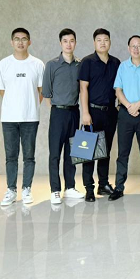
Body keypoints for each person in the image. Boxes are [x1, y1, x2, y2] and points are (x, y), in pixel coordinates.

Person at [0, 28, 45, 206]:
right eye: (17, 39)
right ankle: (11, 190)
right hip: (9, 118)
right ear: (12, 42)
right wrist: (14, 106)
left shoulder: (37, 64)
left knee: (29, 156)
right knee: (11, 156)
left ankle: (26, 189)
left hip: (30, 118)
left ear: (29, 42)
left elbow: (41, 91)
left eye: (24, 39)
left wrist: (29, 106)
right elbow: (2, 91)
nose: (20, 42)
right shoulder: (4, 64)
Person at [109, 35, 140, 201]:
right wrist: (129, 106)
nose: (136, 49)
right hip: (125, 113)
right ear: (129, 48)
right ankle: (119, 187)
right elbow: (118, 90)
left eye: (139, 46)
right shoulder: (123, 66)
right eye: (133, 46)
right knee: (123, 153)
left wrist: (138, 104)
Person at [42, 28, 84, 204]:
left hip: (74, 112)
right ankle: (55, 190)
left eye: (72, 41)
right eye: (65, 41)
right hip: (58, 112)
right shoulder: (52, 65)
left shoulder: (80, 65)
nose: (69, 44)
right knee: (55, 153)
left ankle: (70, 187)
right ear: (60, 43)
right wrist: (55, 109)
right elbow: (46, 92)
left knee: (71, 152)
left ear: (75, 43)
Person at [79, 28, 120, 202]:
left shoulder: (116, 63)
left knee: (105, 151)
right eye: (99, 40)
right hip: (92, 112)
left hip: (110, 112)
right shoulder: (87, 62)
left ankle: (103, 184)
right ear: (94, 42)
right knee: (87, 151)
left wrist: (119, 106)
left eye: (106, 40)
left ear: (110, 42)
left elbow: (120, 87)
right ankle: (89, 188)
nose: (103, 43)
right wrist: (85, 113)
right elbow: (83, 88)